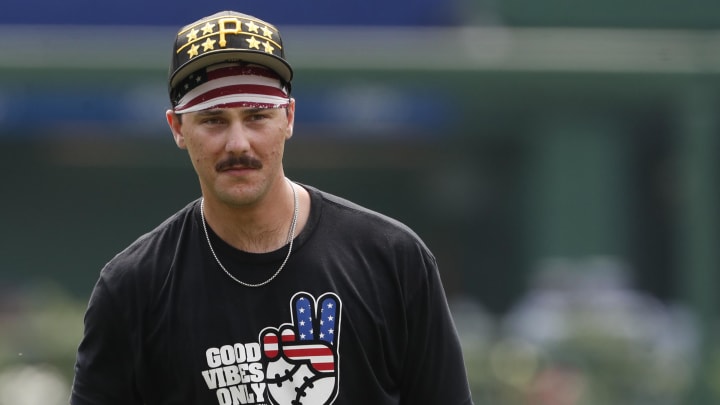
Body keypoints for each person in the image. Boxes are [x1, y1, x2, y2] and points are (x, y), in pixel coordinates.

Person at [70, 10, 473, 405]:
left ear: (289, 118)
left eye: (257, 116)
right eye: (213, 120)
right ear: (178, 128)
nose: (238, 144)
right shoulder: (133, 287)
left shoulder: (392, 259)